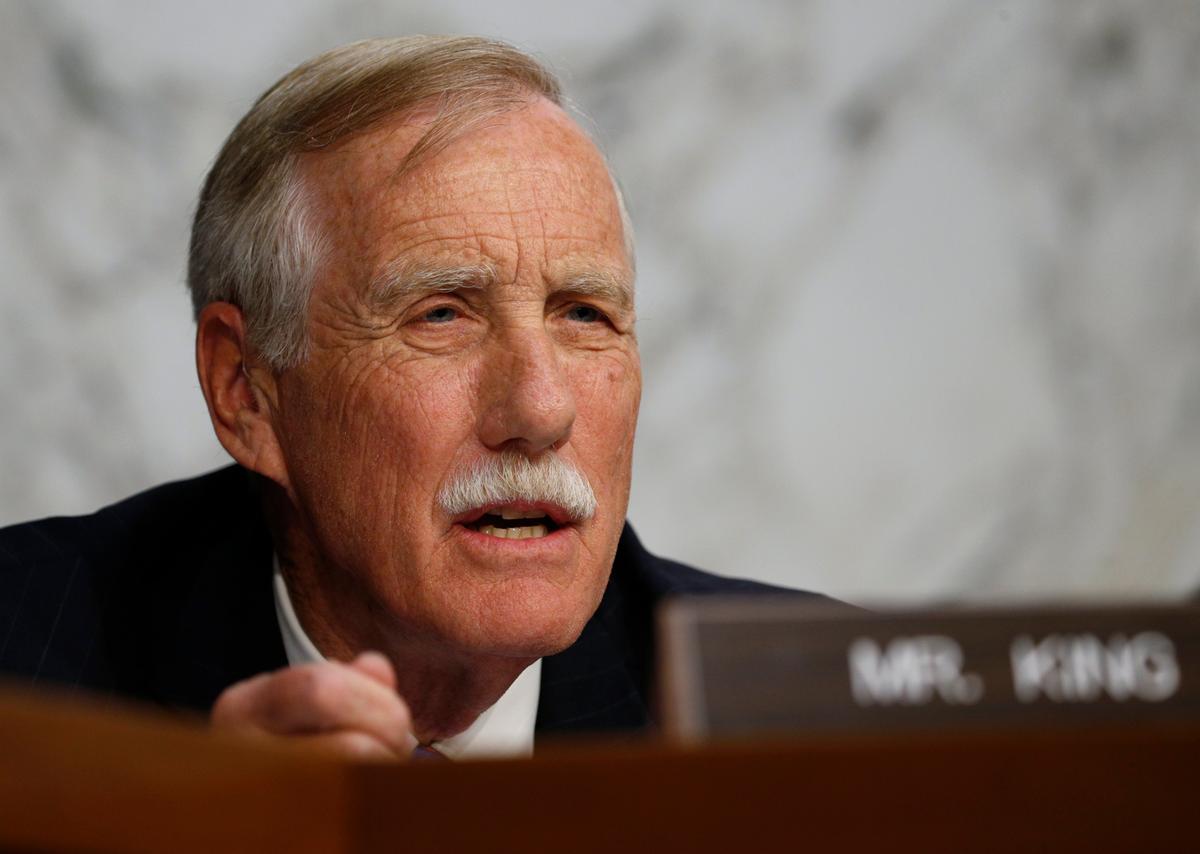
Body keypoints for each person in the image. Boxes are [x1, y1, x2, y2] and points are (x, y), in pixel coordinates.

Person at [0, 36, 829, 759]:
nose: (542, 411)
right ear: (245, 389)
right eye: (441, 315)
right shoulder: (28, 670)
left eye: (583, 314)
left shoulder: (810, 718)